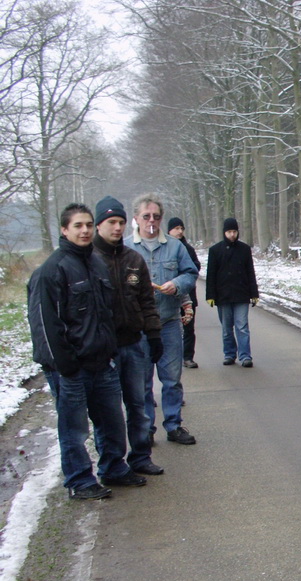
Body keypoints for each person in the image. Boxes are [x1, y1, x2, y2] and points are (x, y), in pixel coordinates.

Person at [27, 203, 137, 499]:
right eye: (78, 225)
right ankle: (80, 481)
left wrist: (110, 351)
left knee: (112, 421)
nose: (85, 230)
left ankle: (114, 468)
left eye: (88, 224)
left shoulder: (96, 264)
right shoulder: (51, 270)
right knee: (74, 430)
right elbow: (45, 324)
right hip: (70, 368)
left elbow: (106, 313)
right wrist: (66, 366)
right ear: (64, 230)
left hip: (102, 363)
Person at [93, 196, 165, 478]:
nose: (117, 227)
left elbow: (147, 301)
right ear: (99, 225)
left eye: (121, 222)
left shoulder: (133, 259)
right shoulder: (89, 260)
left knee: (138, 404)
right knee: (109, 411)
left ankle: (141, 457)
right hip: (104, 350)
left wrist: (154, 334)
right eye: (111, 222)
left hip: (134, 344)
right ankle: (112, 464)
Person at [129, 193, 199, 445]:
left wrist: (177, 284)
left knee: (171, 378)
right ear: (136, 218)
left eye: (156, 216)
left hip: (168, 322)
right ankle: (146, 428)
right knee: (142, 382)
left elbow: (191, 273)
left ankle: (174, 425)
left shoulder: (175, 246)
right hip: (138, 327)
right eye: (146, 216)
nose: (151, 221)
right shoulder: (126, 248)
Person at [206, 218, 259, 368]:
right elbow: (211, 274)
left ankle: (245, 356)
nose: (232, 235)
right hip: (223, 295)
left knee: (242, 327)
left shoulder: (244, 249)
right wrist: (210, 295)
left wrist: (254, 293)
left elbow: (250, 272)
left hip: (242, 294)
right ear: (224, 232)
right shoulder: (215, 251)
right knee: (226, 328)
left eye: (234, 231)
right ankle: (229, 354)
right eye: (229, 232)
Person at [167, 217, 201, 368]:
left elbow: (195, 268)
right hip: (169, 296)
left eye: (181, 228)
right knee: (170, 328)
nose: (180, 231)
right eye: (176, 228)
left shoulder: (189, 249)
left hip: (188, 295)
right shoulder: (165, 249)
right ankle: (172, 357)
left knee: (189, 327)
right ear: (169, 231)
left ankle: (188, 357)